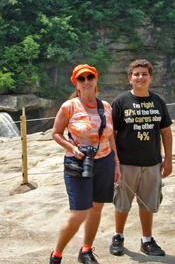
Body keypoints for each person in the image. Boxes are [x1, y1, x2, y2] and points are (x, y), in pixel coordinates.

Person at [50, 64, 121, 264]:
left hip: (105, 162)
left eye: (90, 77)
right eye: (82, 79)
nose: (87, 81)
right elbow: (56, 132)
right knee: (79, 214)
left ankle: (86, 251)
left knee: (96, 208)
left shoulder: (106, 106)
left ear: (96, 81)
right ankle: (56, 255)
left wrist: (116, 162)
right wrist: (72, 148)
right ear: (77, 83)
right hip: (78, 163)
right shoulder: (69, 106)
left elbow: (110, 136)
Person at [109, 59, 173, 257]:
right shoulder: (120, 102)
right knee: (122, 203)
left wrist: (168, 159)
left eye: (145, 74)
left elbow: (166, 131)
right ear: (130, 79)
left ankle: (147, 240)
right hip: (126, 163)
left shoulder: (158, 101)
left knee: (148, 204)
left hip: (152, 162)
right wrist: (115, 161)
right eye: (136, 74)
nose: (140, 77)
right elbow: (111, 134)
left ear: (151, 78)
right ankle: (118, 237)